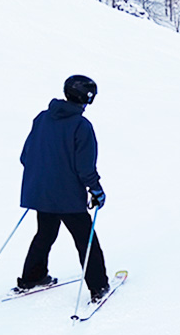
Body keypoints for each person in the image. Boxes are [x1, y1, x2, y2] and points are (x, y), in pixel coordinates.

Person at [17, 75, 110, 302]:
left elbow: (25, 155)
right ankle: (98, 286)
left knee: (45, 233)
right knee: (85, 238)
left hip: (40, 192)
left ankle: (32, 277)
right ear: (86, 99)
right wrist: (96, 190)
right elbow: (85, 167)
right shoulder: (81, 126)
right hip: (67, 196)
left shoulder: (42, 118)